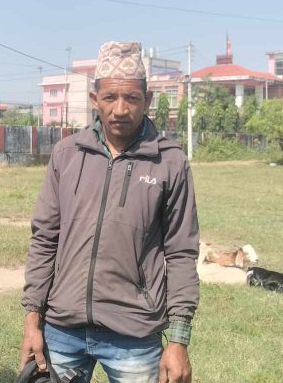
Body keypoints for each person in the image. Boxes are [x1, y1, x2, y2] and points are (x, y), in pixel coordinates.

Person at [20, 41, 199, 383]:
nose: (120, 109)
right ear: (94, 99)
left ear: (147, 100)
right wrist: (32, 319)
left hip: (134, 334)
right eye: (110, 97)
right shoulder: (67, 154)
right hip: (62, 329)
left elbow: (181, 253)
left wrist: (178, 340)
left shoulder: (170, 162)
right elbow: (44, 239)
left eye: (132, 98)